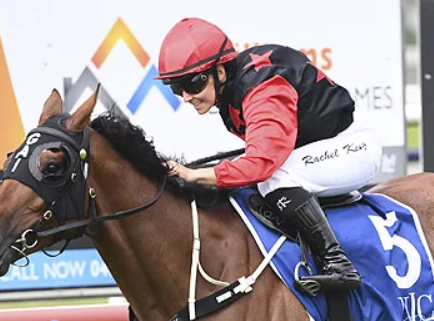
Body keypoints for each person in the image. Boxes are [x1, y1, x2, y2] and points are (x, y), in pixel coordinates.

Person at [157, 17, 382, 293]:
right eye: (176, 88)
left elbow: (261, 164)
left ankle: (338, 264)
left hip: (353, 147)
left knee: (274, 179)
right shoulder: (233, 89)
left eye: (193, 84)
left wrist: (195, 175)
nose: (185, 97)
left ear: (221, 72)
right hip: (319, 146)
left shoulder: (261, 88)